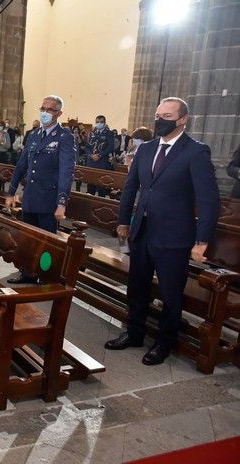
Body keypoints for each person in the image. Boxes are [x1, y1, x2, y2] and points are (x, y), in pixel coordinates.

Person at [105, 97, 220, 366]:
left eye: (167, 116)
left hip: (174, 234)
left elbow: (208, 199)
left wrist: (202, 239)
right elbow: (131, 188)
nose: (160, 120)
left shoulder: (195, 151)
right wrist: (124, 221)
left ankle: (164, 342)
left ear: (182, 119)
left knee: (170, 292)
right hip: (142, 229)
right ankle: (134, 332)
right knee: (137, 285)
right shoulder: (146, 150)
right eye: (158, 114)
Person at [5, 95, 76, 284]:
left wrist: (62, 203)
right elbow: (21, 165)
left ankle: (46, 277)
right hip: (30, 196)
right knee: (27, 239)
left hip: (48, 199)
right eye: (43, 108)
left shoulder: (64, 137)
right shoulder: (34, 135)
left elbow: (66, 172)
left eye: (50, 110)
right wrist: (11, 192)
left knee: (47, 242)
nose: (45, 112)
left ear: (59, 113)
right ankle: (28, 272)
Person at [84, 115, 115, 196]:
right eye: (97, 122)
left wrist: (100, 155)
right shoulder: (91, 133)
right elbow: (87, 147)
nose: (99, 124)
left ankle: (101, 202)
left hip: (102, 162)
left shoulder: (109, 133)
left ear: (104, 123)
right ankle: (89, 203)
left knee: (101, 186)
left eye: (101, 122)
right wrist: (91, 155)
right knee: (90, 185)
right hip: (91, 162)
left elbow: (110, 147)